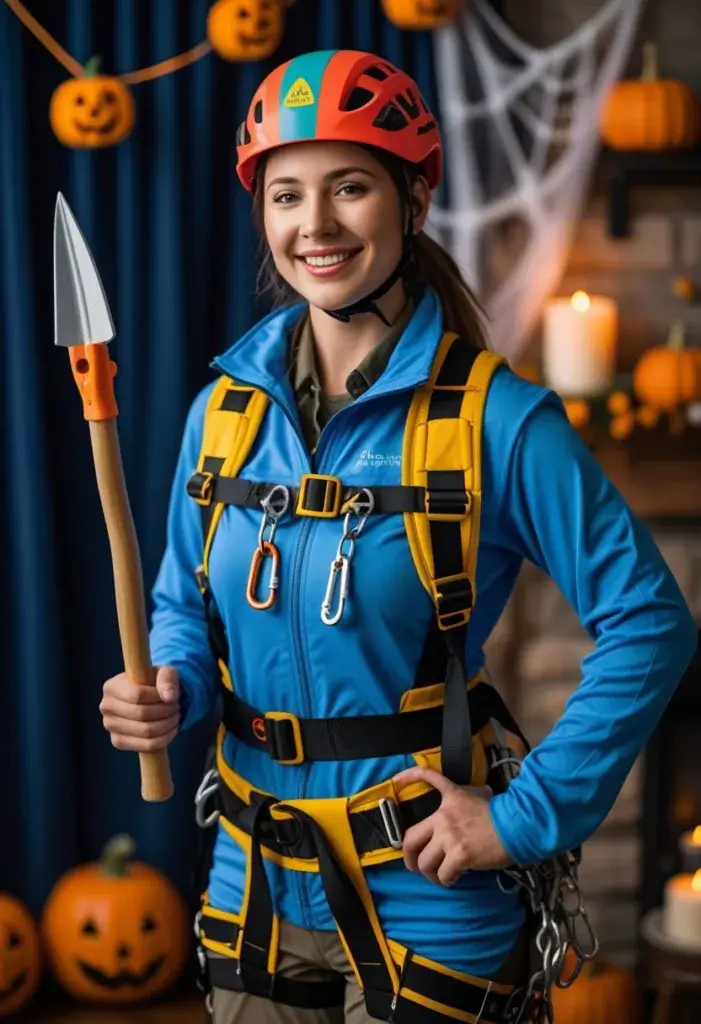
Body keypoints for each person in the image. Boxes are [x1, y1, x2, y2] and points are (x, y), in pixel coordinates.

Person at [99, 49, 698, 1024]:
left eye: (348, 187)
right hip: (252, 875)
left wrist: (520, 818)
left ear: (412, 198)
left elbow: (649, 623)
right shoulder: (223, 413)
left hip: (429, 891)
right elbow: (181, 602)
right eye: (286, 194)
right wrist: (170, 688)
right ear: (262, 213)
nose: (315, 224)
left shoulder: (497, 422)